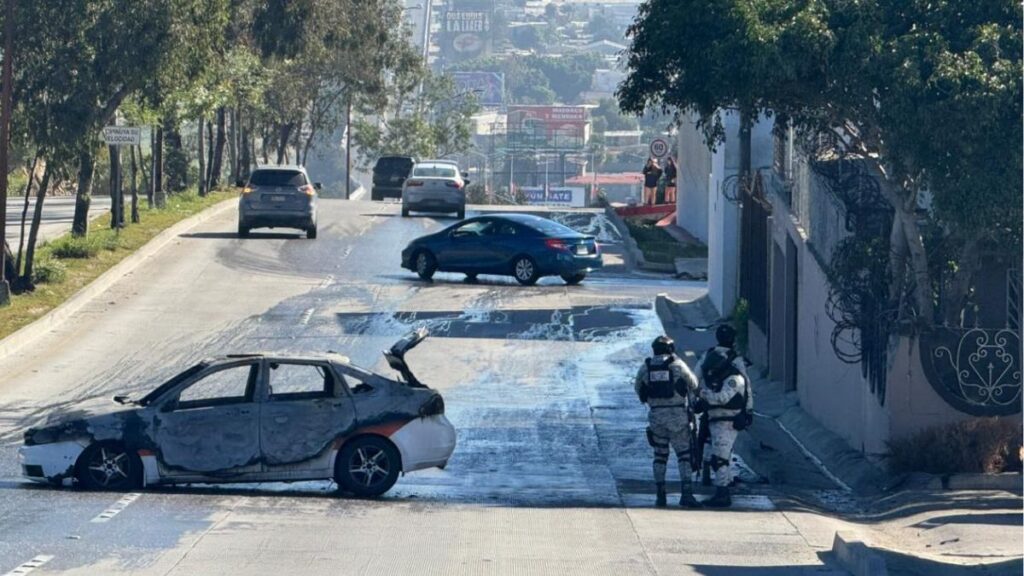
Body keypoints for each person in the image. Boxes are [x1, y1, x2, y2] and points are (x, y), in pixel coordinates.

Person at [634, 335, 702, 508]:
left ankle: (660, 495)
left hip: (656, 417)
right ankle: (686, 494)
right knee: (684, 456)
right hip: (678, 417)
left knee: (660, 456)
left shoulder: (646, 367)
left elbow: (638, 389)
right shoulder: (677, 364)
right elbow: (694, 384)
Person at [693, 331, 753, 508]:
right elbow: (746, 387)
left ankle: (719, 485)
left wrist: (699, 398)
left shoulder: (707, 356)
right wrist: (749, 411)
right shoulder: (736, 361)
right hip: (730, 413)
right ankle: (723, 487)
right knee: (722, 452)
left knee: (711, 445)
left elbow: (694, 380)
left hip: (711, 411)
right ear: (732, 340)